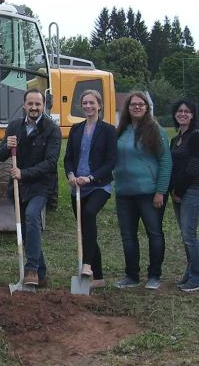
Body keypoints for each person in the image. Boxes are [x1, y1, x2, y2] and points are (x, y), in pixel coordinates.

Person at [0, 89, 61, 287]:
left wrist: (24, 173)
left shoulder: (51, 129)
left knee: (32, 216)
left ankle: (31, 268)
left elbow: (50, 163)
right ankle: (41, 273)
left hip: (41, 185)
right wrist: (7, 146)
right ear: (24, 105)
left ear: (43, 106)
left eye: (38, 104)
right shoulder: (14, 126)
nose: (34, 107)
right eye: (30, 104)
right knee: (25, 229)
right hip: (18, 187)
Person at [113, 92, 172, 290]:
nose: (137, 107)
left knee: (154, 234)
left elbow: (165, 162)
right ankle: (132, 275)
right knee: (128, 236)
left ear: (147, 108)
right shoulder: (120, 130)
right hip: (124, 193)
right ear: (127, 108)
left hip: (149, 193)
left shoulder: (155, 130)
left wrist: (160, 191)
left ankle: (154, 275)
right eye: (133, 104)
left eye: (141, 104)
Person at [63, 89, 116, 289]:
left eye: (92, 103)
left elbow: (111, 161)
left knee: (89, 213)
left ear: (99, 105)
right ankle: (99, 277)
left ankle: (87, 265)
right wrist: (70, 175)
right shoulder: (76, 129)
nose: (88, 106)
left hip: (99, 185)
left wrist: (91, 177)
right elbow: (68, 158)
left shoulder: (108, 130)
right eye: (85, 103)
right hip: (77, 186)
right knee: (85, 229)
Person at [169, 99, 199, 292]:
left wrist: (179, 191)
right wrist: (170, 190)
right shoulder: (175, 140)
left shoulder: (196, 137)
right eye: (179, 111)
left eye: (187, 111)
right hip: (177, 192)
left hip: (191, 191)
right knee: (185, 235)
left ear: (193, 115)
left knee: (190, 235)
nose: (182, 114)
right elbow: (172, 167)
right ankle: (190, 273)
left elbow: (193, 167)